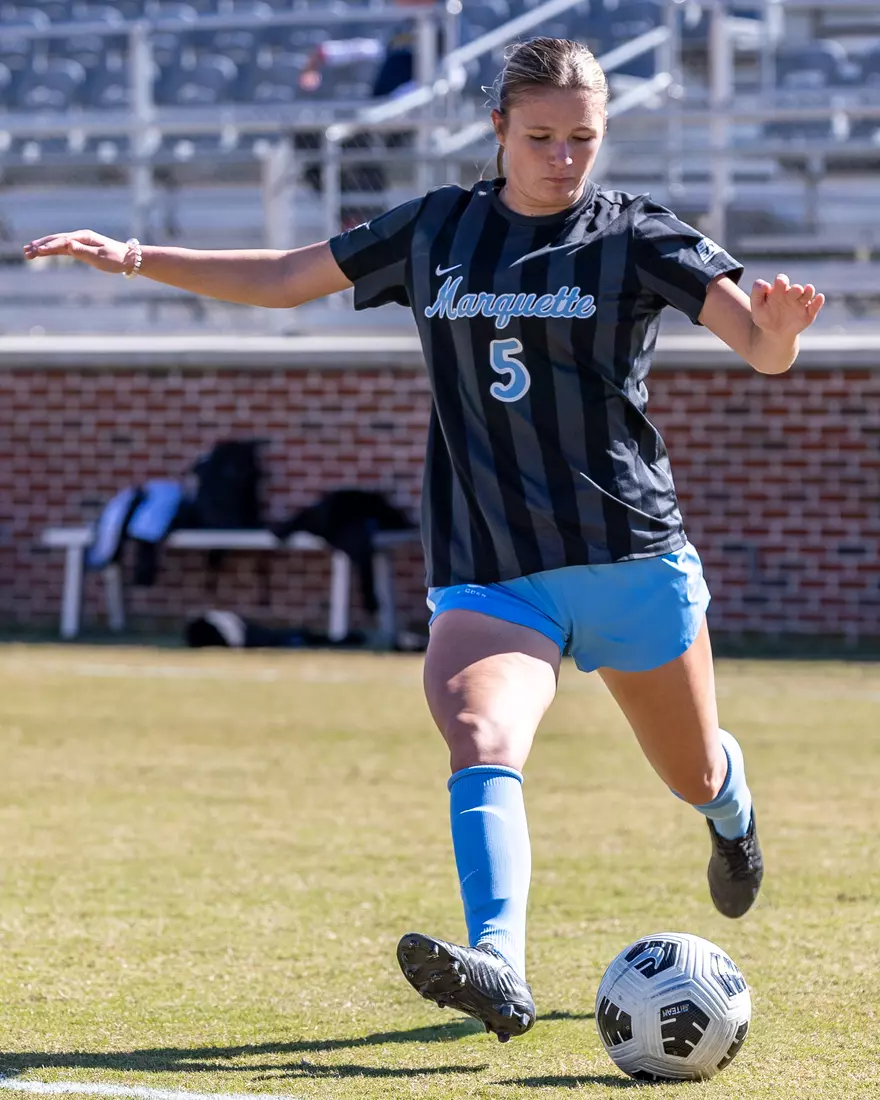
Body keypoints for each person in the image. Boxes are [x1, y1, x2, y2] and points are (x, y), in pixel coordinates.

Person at [24, 36, 825, 1046]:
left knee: (692, 771)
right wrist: (137, 256)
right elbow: (286, 275)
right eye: (540, 137)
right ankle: (499, 962)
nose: (563, 157)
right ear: (498, 129)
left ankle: (731, 812)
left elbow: (757, 344)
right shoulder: (437, 226)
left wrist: (781, 330)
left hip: (627, 556)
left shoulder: (638, 233)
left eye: (582, 138)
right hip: (491, 568)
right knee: (480, 737)